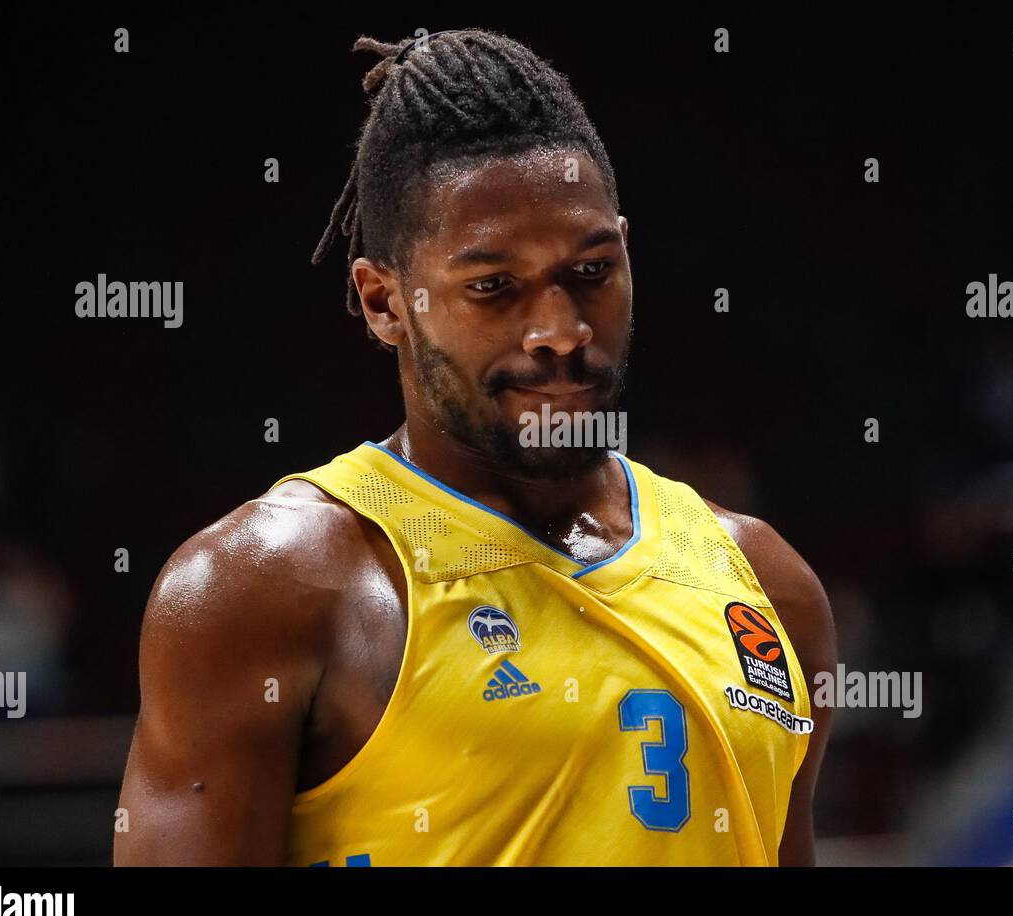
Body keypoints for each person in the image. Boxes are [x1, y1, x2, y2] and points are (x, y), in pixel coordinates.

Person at [115, 28, 836, 866]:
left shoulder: (771, 587)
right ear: (385, 302)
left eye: (592, 272)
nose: (560, 332)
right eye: (494, 287)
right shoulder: (265, 590)